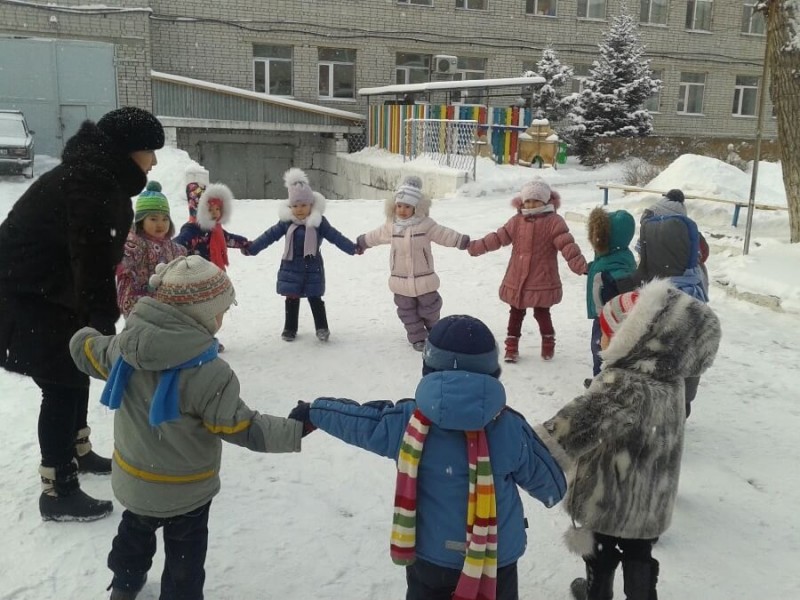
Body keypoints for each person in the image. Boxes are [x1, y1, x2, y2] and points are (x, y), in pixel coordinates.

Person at [69, 255, 304, 600]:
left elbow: (87, 352)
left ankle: (124, 585)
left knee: (133, 536)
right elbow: (242, 426)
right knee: (185, 558)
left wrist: (82, 334)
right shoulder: (211, 374)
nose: (222, 319)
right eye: (221, 311)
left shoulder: (124, 347)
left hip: (136, 481)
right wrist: (296, 429)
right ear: (202, 315)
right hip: (188, 491)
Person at [288, 315, 567, 600]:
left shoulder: (406, 422)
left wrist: (314, 412)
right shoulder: (510, 429)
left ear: (428, 368)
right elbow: (551, 487)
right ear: (493, 371)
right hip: (494, 557)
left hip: (431, 556)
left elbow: (361, 421)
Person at [0, 105, 164, 521]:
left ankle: (79, 449)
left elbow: (90, 258)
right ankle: (58, 489)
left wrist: (93, 324)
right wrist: (100, 324)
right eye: (150, 151)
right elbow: (91, 259)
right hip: (27, 295)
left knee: (76, 371)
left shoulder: (96, 176)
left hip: (50, 291)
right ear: (129, 150)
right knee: (61, 384)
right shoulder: (91, 184)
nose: (154, 162)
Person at [532, 280, 721, 600]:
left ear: (630, 338)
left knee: (601, 548)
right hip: (649, 495)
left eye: (607, 334)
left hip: (610, 494)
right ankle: (641, 594)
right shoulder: (670, 377)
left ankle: (597, 592)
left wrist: (532, 444)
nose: (601, 341)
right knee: (639, 552)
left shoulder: (624, 383)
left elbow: (575, 427)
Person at [468, 179, 587, 363]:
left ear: (545, 201)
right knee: (516, 313)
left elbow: (567, 245)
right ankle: (511, 348)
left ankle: (548, 341)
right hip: (518, 278)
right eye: (528, 201)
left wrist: (581, 266)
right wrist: (476, 246)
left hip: (542, 278)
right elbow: (498, 238)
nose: (531, 205)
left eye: (536, 201)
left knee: (542, 313)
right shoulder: (516, 221)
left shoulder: (554, 222)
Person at [617, 188, 710, 417]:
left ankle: (672, 413)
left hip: (669, 369)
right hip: (676, 370)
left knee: (671, 385)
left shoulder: (676, 288)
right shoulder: (690, 272)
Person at [356, 175, 470, 351]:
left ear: (416, 207)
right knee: (406, 311)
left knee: (430, 308)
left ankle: (433, 330)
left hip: (424, 279)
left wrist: (461, 240)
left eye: (407, 206)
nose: (402, 210)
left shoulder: (425, 225)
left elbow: (443, 234)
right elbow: (376, 235)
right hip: (400, 280)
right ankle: (417, 337)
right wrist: (363, 241)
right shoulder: (392, 226)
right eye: (399, 206)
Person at [246, 168, 360, 342]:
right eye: (295, 206)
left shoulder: (318, 221)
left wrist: (352, 248)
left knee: (315, 297)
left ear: (311, 205)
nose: (299, 209)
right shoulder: (286, 222)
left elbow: (335, 236)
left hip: (312, 266)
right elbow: (269, 235)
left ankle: (322, 328)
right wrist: (252, 248)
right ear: (290, 206)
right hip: (291, 266)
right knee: (291, 297)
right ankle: (290, 328)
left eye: (303, 205)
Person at [116, 181, 186, 318]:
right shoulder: (134, 244)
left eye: (165, 219)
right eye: (153, 219)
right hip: (137, 306)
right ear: (141, 220)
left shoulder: (172, 247)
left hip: (165, 305)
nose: (160, 224)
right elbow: (119, 260)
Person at [583, 207, 636, 387]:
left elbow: (623, 284)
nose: (594, 239)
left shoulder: (617, 263)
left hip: (610, 319)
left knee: (602, 350)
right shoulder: (609, 255)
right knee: (598, 349)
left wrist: (612, 282)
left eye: (598, 234)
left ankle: (605, 385)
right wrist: (591, 268)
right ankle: (600, 379)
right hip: (602, 316)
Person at [173, 181, 250, 271]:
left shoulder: (215, 229)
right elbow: (182, 241)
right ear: (199, 210)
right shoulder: (192, 229)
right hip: (197, 274)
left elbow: (228, 238)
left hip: (215, 273)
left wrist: (244, 243)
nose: (215, 213)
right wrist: (171, 249)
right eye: (210, 210)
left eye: (217, 208)